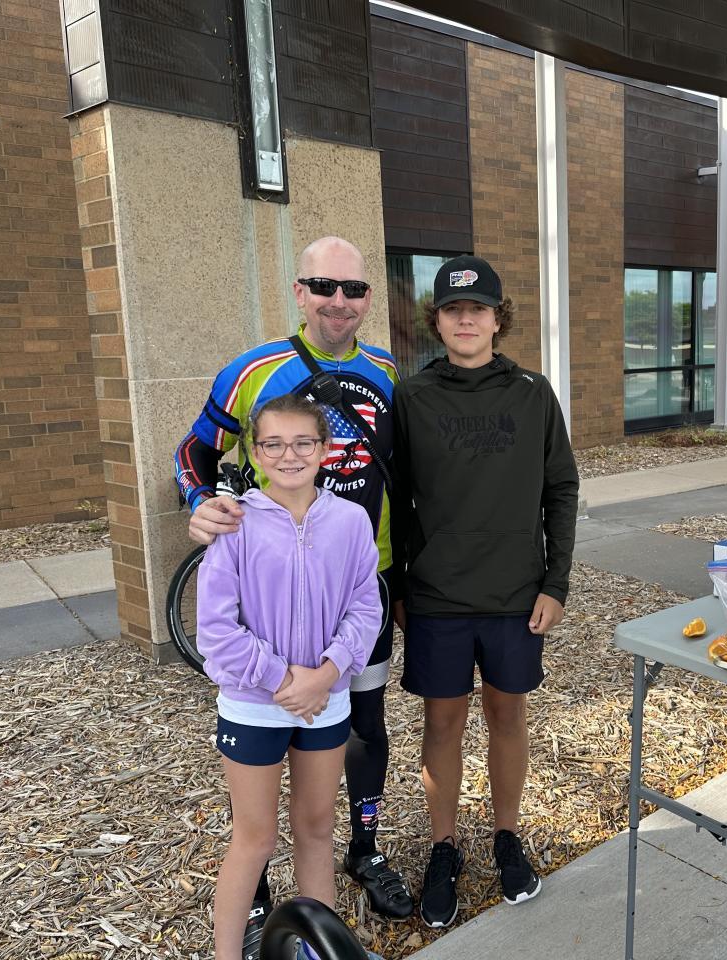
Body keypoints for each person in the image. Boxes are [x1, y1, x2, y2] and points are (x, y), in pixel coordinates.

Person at [175, 238, 414, 952]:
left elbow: (409, 470)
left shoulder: (388, 373)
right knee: (259, 811)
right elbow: (194, 451)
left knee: (364, 727)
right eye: (323, 285)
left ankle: (363, 851)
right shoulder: (253, 371)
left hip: (362, 581)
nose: (339, 300)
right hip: (270, 601)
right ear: (299, 291)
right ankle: (254, 901)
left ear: (369, 297)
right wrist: (202, 502)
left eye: (354, 288)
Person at [392, 255, 579, 928]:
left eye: (478, 309)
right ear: (437, 321)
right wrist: (399, 586)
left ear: (499, 319)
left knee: (507, 714)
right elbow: (395, 500)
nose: (466, 319)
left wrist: (556, 583)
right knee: (442, 723)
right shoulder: (412, 397)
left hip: (514, 593)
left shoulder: (533, 393)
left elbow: (561, 489)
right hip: (437, 594)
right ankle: (443, 847)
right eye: (453, 309)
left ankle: (506, 835)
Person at [197, 394, 380, 960]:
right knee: (254, 838)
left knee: (317, 827)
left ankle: (316, 951)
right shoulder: (235, 524)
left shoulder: (350, 521)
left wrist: (326, 674)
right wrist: (283, 679)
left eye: (303, 442)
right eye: (273, 444)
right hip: (254, 705)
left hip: (325, 700)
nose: (289, 455)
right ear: (255, 453)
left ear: (325, 449)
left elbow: (365, 608)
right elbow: (215, 630)